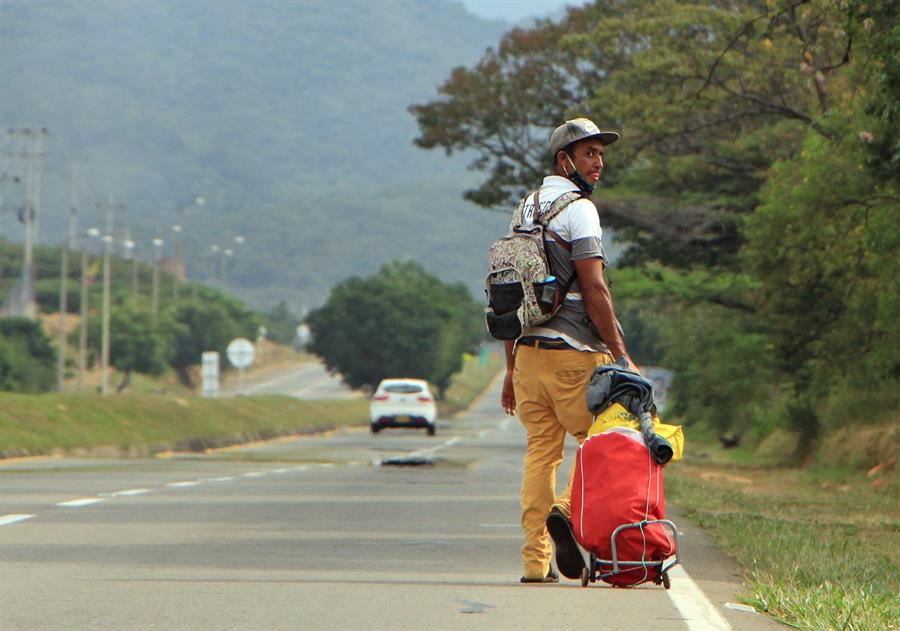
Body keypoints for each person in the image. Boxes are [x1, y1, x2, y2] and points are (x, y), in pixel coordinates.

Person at [502, 118, 639, 583]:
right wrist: (621, 354)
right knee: (604, 441)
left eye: (601, 153)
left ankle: (534, 562)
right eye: (589, 154)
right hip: (574, 354)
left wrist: (509, 368)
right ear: (566, 161)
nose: (599, 163)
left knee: (541, 453)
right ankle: (564, 509)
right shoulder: (580, 211)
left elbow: (508, 295)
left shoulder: (523, 210)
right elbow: (595, 288)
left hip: (528, 355)